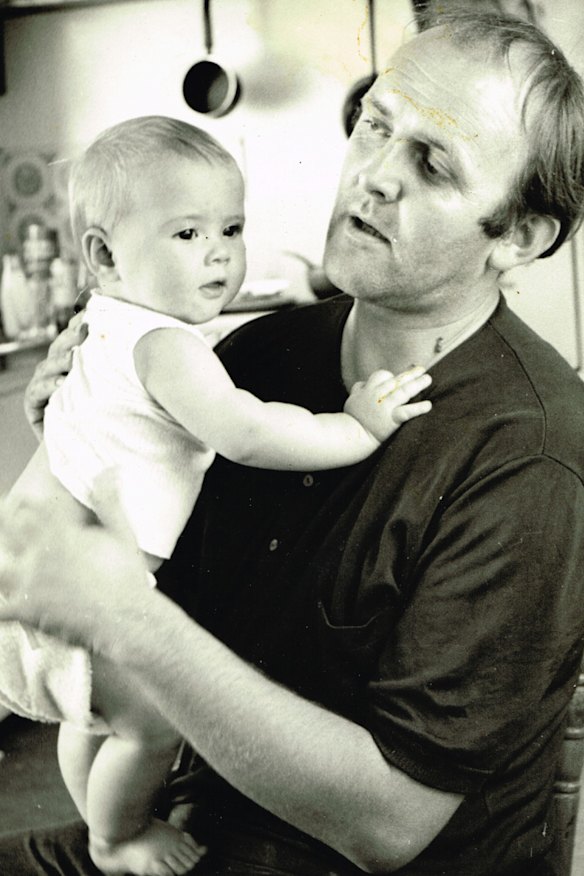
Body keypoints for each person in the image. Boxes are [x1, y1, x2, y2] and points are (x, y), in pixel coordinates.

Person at [1, 9, 584, 875]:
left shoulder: (531, 456)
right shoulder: (254, 358)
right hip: (191, 825)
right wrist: (79, 434)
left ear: (521, 236)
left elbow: (388, 825)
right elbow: (141, 548)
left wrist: (131, 622)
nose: (374, 176)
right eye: (375, 126)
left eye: (432, 164)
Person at [0, 116, 432, 876]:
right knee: (152, 721)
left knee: (93, 718)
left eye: (231, 229)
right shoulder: (167, 346)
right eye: (188, 234)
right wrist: (355, 428)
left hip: (41, 570)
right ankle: (115, 838)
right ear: (104, 254)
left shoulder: (102, 323)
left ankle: (102, 816)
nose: (220, 253)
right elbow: (248, 433)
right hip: (83, 584)